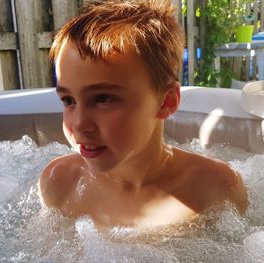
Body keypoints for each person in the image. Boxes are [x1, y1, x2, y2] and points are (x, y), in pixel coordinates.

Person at [38, 0, 248, 228]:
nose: (79, 125)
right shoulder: (60, 182)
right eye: (68, 100)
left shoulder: (214, 187)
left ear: (166, 101)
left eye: (103, 99)